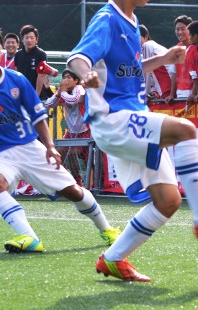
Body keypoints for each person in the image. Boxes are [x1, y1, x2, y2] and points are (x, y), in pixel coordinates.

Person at [67, 0, 198, 282]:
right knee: (187, 130)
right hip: (113, 120)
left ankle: (113, 259)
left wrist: (161, 60)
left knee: (168, 200)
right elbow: (78, 57)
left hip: (130, 116)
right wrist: (83, 71)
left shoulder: (132, 23)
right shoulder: (106, 19)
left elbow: (127, 68)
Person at [0, 66, 120, 253]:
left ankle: (107, 229)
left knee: (74, 192)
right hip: (2, 154)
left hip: (30, 148)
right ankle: (30, 238)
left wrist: (50, 146)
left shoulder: (16, 79)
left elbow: (38, 115)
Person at [43, 69, 90, 186]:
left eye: (69, 77)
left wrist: (62, 92)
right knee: (59, 153)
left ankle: (79, 182)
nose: (65, 80)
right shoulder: (64, 91)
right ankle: (60, 181)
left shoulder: (78, 89)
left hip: (85, 131)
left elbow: (74, 100)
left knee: (75, 154)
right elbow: (48, 104)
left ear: (76, 80)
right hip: (71, 132)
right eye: (64, 77)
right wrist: (58, 93)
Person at [140, 24, 176, 103]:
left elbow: (146, 76)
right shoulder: (147, 51)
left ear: (146, 37)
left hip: (167, 86)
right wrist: (153, 93)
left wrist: (144, 95)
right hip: (168, 88)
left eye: (137, 37)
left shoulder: (147, 45)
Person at [14, 24, 49, 99]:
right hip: (22, 95)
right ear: (22, 39)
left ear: (36, 39)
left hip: (38, 96)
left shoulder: (41, 54)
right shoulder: (18, 54)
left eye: (32, 38)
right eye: (26, 38)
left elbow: (41, 76)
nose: (29, 40)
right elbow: (17, 75)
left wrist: (36, 97)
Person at [170, 15, 194, 101]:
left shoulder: (196, 47)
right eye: (177, 29)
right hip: (180, 93)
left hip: (194, 95)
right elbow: (174, 73)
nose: (180, 32)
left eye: (183, 29)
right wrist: (172, 95)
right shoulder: (176, 48)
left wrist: (194, 93)